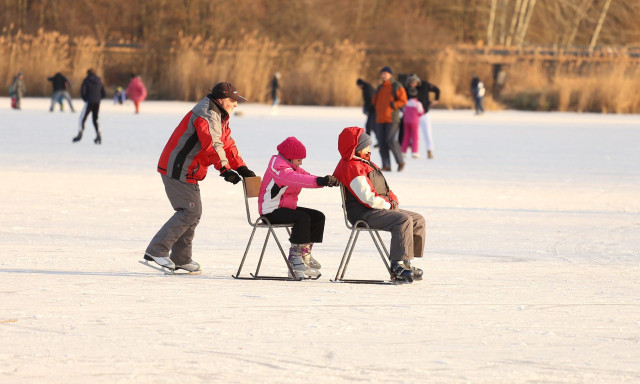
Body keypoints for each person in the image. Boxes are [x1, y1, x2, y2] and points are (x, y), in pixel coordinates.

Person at [144, 82, 256, 274]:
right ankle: (157, 250)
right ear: (222, 100)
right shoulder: (207, 115)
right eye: (233, 100)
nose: (236, 105)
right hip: (178, 169)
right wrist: (225, 170)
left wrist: (241, 167)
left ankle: (181, 258)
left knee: (192, 213)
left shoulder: (219, 115)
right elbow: (212, 144)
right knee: (189, 212)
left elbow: (226, 143)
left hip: (188, 169)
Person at [333, 127, 425, 283]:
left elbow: (383, 189)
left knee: (417, 220)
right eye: (367, 146)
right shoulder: (352, 167)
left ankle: (407, 262)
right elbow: (367, 197)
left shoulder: (364, 162)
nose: (370, 148)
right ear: (358, 147)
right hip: (363, 213)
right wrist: (389, 206)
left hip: (376, 208)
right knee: (402, 220)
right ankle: (397, 264)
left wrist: (393, 202)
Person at [258, 137, 339, 278]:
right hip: (271, 211)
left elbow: (306, 176)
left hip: (285, 208)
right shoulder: (279, 169)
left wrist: (325, 180)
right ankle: (295, 259)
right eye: (299, 160)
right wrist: (319, 181)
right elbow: (297, 179)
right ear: (289, 158)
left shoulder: (291, 167)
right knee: (302, 218)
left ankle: (304, 254)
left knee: (318, 216)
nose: (301, 163)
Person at [372, 66, 407, 172]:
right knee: (381, 142)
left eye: (385, 73)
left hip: (392, 118)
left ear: (390, 74)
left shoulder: (396, 86)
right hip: (380, 119)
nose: (383, 75)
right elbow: (374, 101)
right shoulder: (380, 87)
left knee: (390, 140)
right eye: (382, 73)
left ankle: (400, 161)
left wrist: (394, 105)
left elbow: (403, 100)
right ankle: (386, 165)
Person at [408, 74, 440, 159]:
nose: (412, 85)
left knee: (427, 133)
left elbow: (437, 90)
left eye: (413, 83)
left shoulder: (425, 85)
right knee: (414, 134)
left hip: (425, 113)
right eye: (411, 83)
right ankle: (414, 151)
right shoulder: (408, 88)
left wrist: (436, 100)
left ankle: (429, 150)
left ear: (417, 82)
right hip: (414, 115)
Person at [73, 69, 106, 144]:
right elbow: (103, 93)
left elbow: (83, 91)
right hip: (97, 102)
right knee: (95, 119)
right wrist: (98, 98)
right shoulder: (99, 80)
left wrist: (86, 99)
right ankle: (99, 134)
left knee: (82, 118)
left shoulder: (86, 80)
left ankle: (80, 133)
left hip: (89, 102)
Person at [401, 84, 424, 158]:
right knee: (415, 137)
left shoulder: (406, 103)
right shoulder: (418, 103)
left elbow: (403, 111)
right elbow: (421, 112)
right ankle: (415, 152)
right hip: (414, 122)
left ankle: (404, 151)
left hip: (406, 122)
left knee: (406, 136)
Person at [356, 78, 377, 143]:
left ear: (360, 84)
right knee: (369, 126)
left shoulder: (367, 89)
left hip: (373, 110)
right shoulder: (366, 87)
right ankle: (367, 141)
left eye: (358, 85)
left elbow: (370, 100)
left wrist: (367, 109)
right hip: (372, 110)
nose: (358, 87)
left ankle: (379, 142)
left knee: (372, 126)